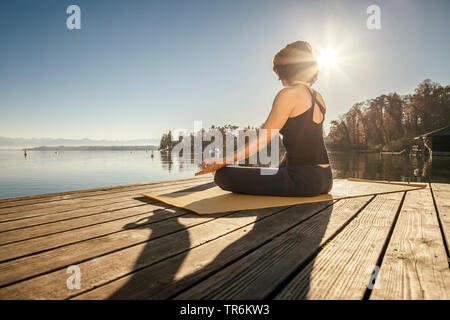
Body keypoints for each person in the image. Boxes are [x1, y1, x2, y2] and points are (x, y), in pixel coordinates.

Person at [195, 41, 333, 197]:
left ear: (287, 71)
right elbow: (306, 136)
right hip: (326, 178)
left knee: (222, 175)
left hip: (304, 182)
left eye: (280, 75)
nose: (281, 81)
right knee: (273, 170)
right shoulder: (318, 97)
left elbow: (261, 140)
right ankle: (281, 171)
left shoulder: (288, 94)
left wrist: (223, 161)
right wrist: (282, 165)